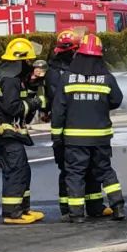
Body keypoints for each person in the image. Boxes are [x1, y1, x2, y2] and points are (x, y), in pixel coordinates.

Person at [51, 33, 125, 222]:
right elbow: (117, 100)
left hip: (75, 139)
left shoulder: (67, 78)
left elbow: (58, 111)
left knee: (75, 174)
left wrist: (57, 137)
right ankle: (118, 206)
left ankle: (76, 214)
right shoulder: (106, 78)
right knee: (105, 170)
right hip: (101, 137)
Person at [0, 37, 43, 224]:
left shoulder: (14, 79)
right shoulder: (10, 80)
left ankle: (23, 208)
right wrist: (34, 103)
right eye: (28, 61)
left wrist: (33, 85)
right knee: (15, 171)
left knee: (23, 170)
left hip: (13, 134)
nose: (30, 65)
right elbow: (12, 107)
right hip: (7, 135)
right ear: (20, 61)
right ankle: (12, 213)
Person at [45, 29, 82, 217]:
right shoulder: (59, 72)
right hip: (68, 125)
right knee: (69, 168)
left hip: (70, 125)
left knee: (72, 168)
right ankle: (68, 208)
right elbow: (57, 101)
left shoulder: (55, 70)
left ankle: (71, 207)